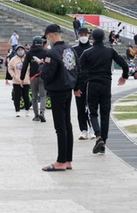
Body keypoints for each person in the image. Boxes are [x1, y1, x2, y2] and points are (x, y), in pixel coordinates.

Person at [76, 28, 128, 155]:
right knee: (105, 114)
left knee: (92, 112)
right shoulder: (110, 51)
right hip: (106, 84)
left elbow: (79, 70)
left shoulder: (87, 53)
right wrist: (124, 76)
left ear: (92, 38)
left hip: (92, 83)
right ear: (104, 38)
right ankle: (103, 143)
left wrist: (76, 87)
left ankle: (98, 136)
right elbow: (124, 64)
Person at [39, 24, 78, 171]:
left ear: (49, 35)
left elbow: (47, 75)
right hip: (68, 89)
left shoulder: (52, 53)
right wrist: (77, 86)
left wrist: (42, 67)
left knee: (60, 126)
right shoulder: (70, 49)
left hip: (57, 90)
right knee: (67, 124)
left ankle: (61, 161)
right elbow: (76, 69)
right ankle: (68, 159)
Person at [21, 36, 49, 122]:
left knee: (34, 96)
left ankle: (36, 115)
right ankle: (42, 113)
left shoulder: (29, 53)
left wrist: (22, 78)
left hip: (33, 77)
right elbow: (49, 63)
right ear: (41, 43)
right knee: (43, 95)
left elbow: (25, 66)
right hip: (43, 76)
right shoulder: (45, 52)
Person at [72, 27, 93, 139]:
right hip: (78, 83)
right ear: (78, 35)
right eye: (81, 34)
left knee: (91, 107)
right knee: (80, 108)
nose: (83, 36)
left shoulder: (93, 49)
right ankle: (83, 129)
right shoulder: (73, 50)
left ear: (89, 35)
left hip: (91, 82)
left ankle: (93, 129)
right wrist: (74, 86)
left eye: (85, 34)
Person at [8, 45, 31, 117]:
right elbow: (10, 68)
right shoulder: (13, 59)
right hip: (16, 81)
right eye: (19, 50)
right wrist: (13, 76)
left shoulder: (27, 58)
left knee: (26, 96)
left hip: (26, 81)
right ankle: (17, 111)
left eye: (21, 49)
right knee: (17, 96)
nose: (20, 51)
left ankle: (27, 110)